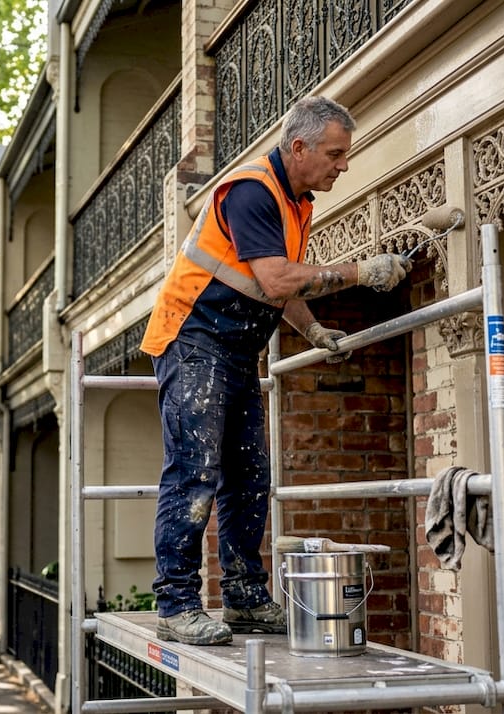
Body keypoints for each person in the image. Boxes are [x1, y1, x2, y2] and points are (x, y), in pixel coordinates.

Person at [139, 96, 412, 645]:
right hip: (192, 339)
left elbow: (275, 284)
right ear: (299, 147)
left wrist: (313, 331)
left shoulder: (296, 201)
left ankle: (242, 597)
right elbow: (279, 279)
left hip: (235, 351)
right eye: (335, 154)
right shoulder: (251, 191)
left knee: (249, 480)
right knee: (195, 472)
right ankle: (175, 604)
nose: (343, 165)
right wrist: (362, 271)